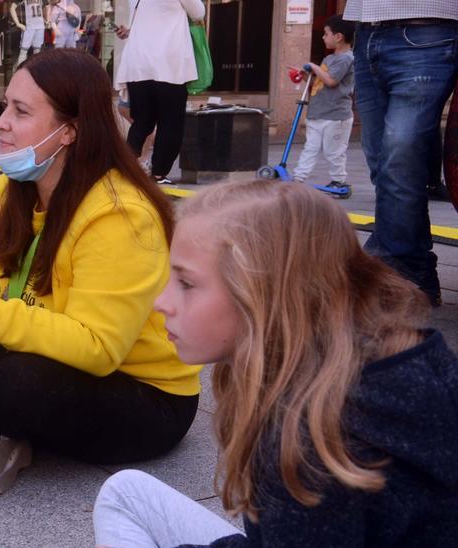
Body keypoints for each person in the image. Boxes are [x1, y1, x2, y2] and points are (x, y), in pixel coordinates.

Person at [0, 49, 197, 496]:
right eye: (5, 104)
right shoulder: (5, 192)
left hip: (141, 391)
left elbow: (98, 347)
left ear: (69, 130)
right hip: (39, 351)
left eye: (20, 111)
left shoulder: (120, 214)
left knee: (15, 387)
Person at [93, 179, 457, 546]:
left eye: (186, 283)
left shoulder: (308, 438)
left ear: (261, 297)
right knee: (125, 491)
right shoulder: (410, 359)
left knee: (123, 497)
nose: (161, 302)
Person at [345, 1, 458, 306]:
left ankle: (395, 265)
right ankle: (413, 268)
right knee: (381, 159)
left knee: (400, 153)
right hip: (366, 29)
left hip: (429, 27)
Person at [113, 0, 205, 185]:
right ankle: (158, 174)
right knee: (170, 123)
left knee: (142, 122)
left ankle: (125, 169)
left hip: (139, 65)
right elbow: (198, 12)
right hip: (168, 65)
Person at [290, 15, 355, 194]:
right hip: (317, 112)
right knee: (310, 147)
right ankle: (299, 177)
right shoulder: (329, 59)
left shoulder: (346, 59)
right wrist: (305, 76)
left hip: (336, 115)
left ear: (338, 36)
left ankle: (339, 180)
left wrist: (314, 66)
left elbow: (332, 81)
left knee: (333, 151)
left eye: (326, 34)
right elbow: (319, 83)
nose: (323, 37)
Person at [11, 0, 46, 66]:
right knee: (23, 51)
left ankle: (36, 72)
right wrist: (18, 23)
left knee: (37, 51)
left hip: (40, 26)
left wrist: (46, 20)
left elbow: (44, 8)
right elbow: (12, 8)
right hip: (29, 27)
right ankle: (20, 73)